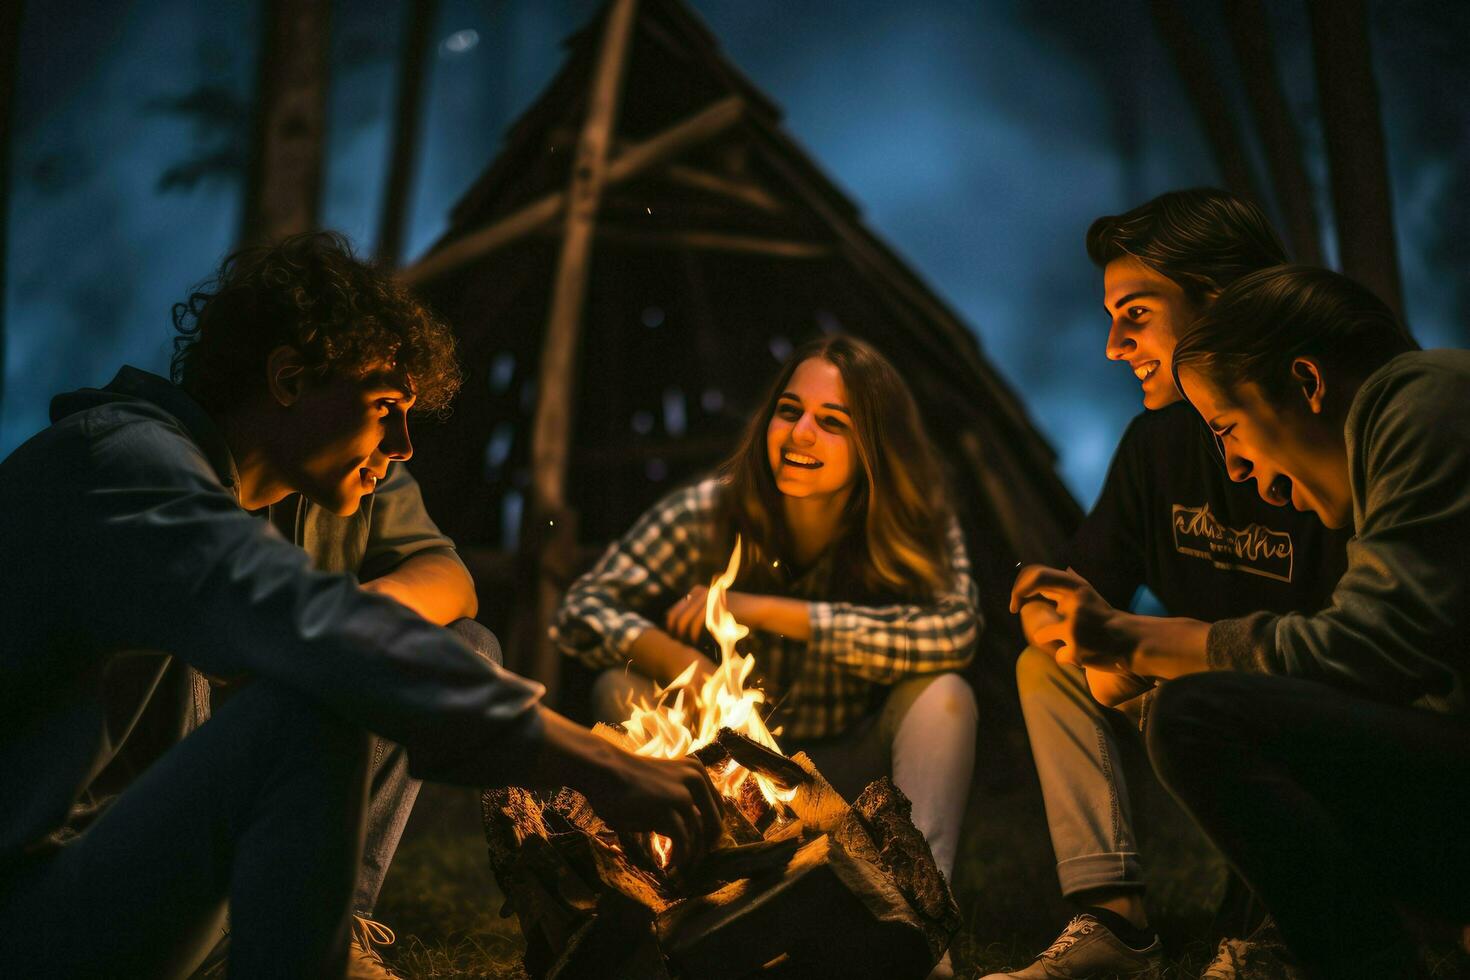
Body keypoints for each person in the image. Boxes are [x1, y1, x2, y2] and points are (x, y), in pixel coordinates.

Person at [0, 232, 722, 978]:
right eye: (384, 407)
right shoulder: (123, 466)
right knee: (317, 702)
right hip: (33, 922)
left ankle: (314, 938)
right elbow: (319, 635)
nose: (405, 444)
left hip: (125, 884)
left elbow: (398, 598)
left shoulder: (243, 483)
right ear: (288, 378)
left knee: (348, 670)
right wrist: (599, 763)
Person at [1012, 265, 1466, 979]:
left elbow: (1366, 651)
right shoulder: (1378, 464)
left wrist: (1137, 640)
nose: (1238, 468)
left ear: (1308, 383)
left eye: (1227, 428)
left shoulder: (1423, 400)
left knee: (1199, 716)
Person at [985, 190, 1352, 980]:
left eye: (1137, 314)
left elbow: (1351, 654)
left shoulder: (1317, 435)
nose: (1115, 346)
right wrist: (1081, 632)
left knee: (1226, 700)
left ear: (1219, 302)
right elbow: (1074, 597)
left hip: (1311, 702)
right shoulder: (1157, 445)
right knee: (1043, 667)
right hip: (1204, 683)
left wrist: (1141, 652)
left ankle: (1284, 935)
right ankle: (1113, 922)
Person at [553, 335, 979, 975]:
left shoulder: (909, 520)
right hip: (733, 780)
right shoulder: (710, 512)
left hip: (846, 770)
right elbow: (582, 608)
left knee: (947, 696)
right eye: (790, 410)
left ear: (873, 448)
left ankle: (915, 927)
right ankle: (666, 908)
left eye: (832, 423)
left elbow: (955, 632)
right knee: (621, 685)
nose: (800, 433)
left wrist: (757, 609)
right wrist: (682, 661)